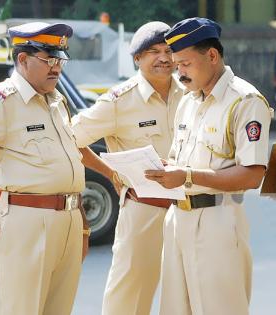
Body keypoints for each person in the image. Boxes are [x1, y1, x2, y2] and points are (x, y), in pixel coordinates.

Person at [0, 22, 91, 315]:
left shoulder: (56, 101)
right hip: (21, 222)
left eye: (60, 59)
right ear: (23, 59)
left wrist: (80, 224)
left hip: (65, 222)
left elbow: (67, 167)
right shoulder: (0, 102)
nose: (56, 68)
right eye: (48, 59)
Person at [144, 17, 272, 315]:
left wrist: (185, 175)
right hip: (178, 219)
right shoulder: (189, 102)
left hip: (218, 219)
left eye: (186, 64)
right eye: (177, 66)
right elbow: (181, 161)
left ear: (212, 56)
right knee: (176, 309)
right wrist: (165, 169)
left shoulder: (245, 101)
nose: (180, 73)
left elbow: (253, 175)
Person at [71, 21, 183, 315]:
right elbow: (71, 139)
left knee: (186, 297)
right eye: (154, 52)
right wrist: (110, 173)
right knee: (129, 299)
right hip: (144, 209)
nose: (164, 57)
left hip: (190, 209)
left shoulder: (192, 94)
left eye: (170, 50)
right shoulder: (120, 101)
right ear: (137, 58)